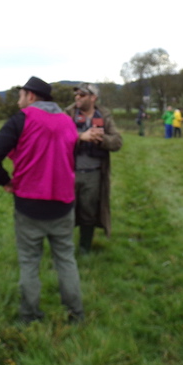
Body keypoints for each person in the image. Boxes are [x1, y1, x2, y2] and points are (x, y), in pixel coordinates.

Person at [0, 77, 84, 324]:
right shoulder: (68, 122)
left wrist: (4, 181)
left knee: (29, 261)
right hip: (63, 203)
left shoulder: (21, 120)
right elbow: (73, 157)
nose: (19, 100)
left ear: (30, 96)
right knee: (66, 259)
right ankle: (76, 313)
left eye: (20, 95)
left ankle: (29, 316)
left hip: (28, 203)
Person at [65, 83, 123, 254]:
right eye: (76, 94)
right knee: (65, 213)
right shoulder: (68, 114)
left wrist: (101, 139)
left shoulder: (104, 116)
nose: (77, 97)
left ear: (93, 98)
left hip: (94, 174)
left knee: (89, 212)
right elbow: (57, 138)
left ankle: (85, 248)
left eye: (82, 95)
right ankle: (64, 251)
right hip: (69, 173)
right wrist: (80, 137)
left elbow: (117, 142)